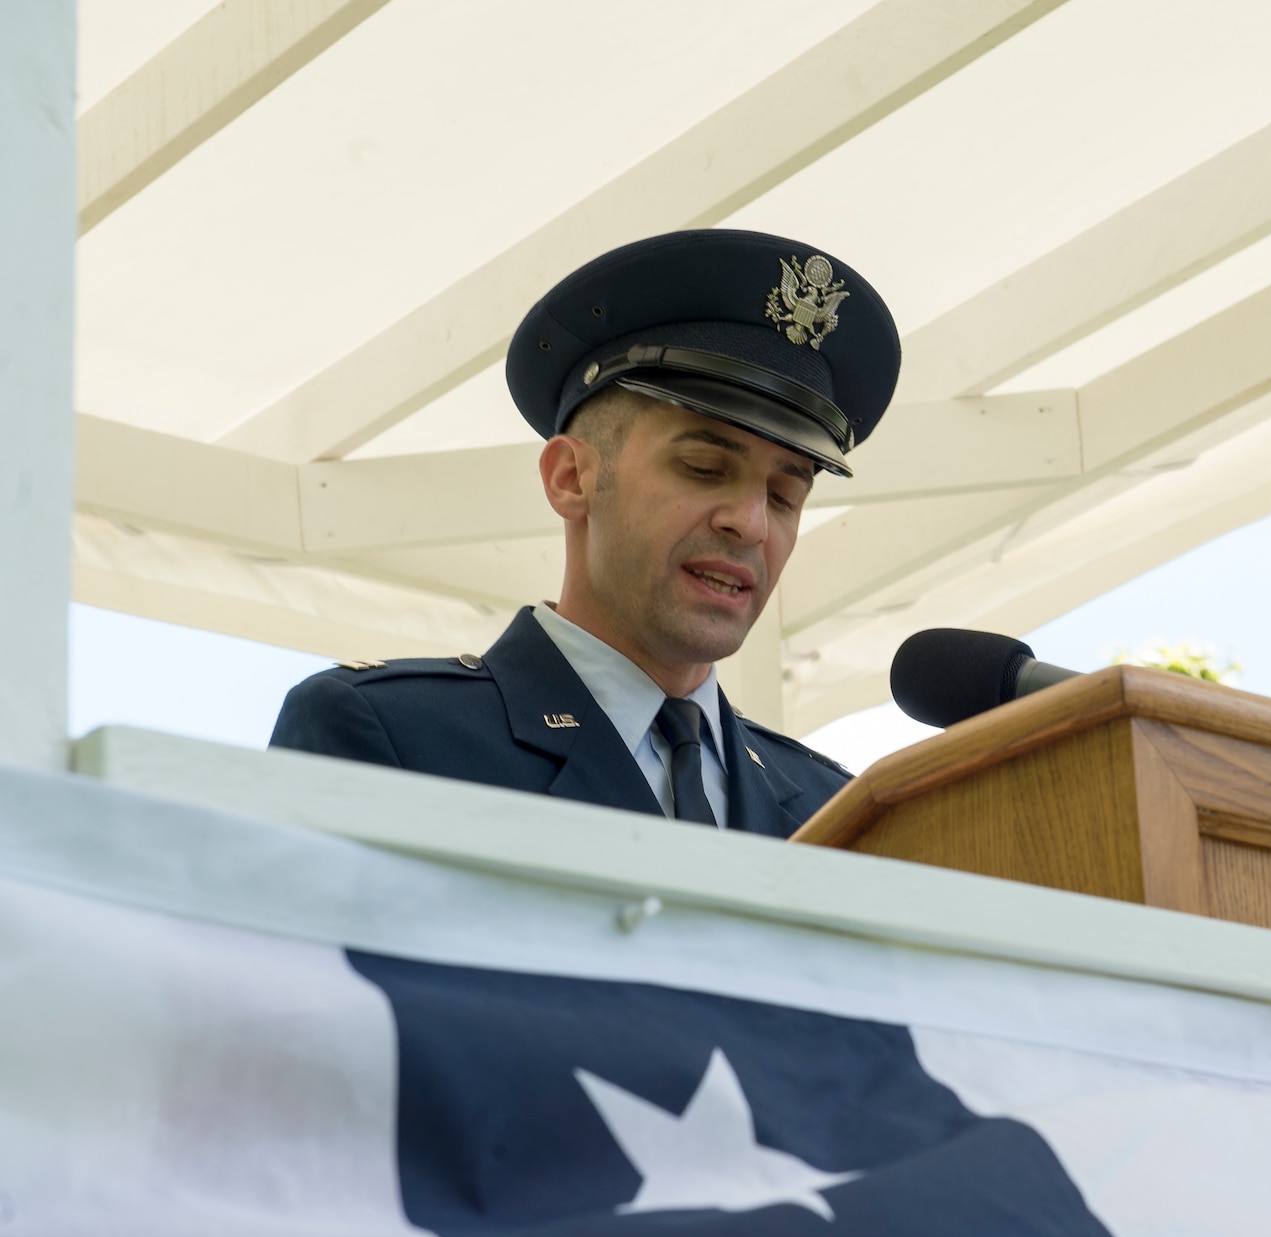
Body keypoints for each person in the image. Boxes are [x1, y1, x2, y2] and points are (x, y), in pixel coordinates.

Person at [270, 230, 900, 837]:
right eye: (705, 469)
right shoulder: (395, 737)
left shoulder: (833, 811)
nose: (752, 522)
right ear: (571, 478)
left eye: (785, 495)